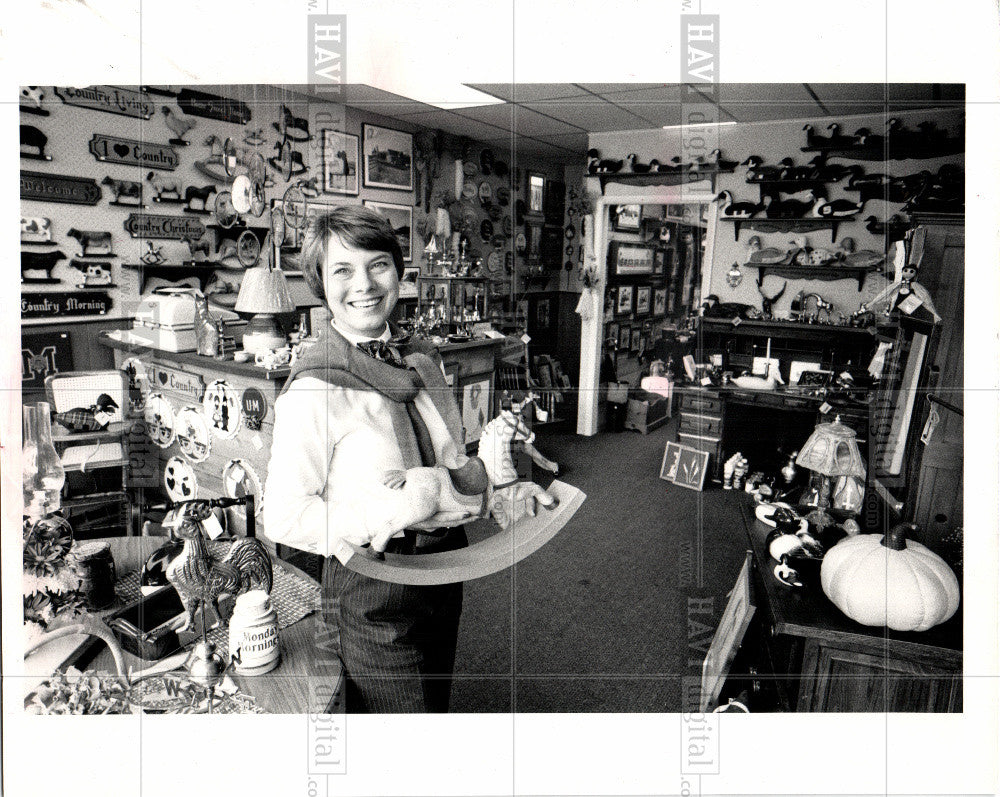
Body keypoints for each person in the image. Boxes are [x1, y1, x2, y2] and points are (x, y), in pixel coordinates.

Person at [263, 206, 552, 713]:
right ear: (320, 283)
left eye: (378, 264)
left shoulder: (422, 359)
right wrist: (384, 514)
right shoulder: (315, 388)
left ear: (399, 271)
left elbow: (447, 464)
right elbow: (283, 515)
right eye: (343, 270)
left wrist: (500, 490)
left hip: (445, 565)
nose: (365, 284)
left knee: (431, 706)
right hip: (374, 584)